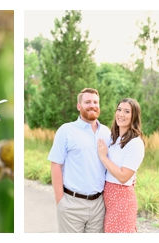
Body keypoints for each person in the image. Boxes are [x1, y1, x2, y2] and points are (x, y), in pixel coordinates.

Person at [48, 88, 111, 233]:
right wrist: (60, 201)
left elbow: (112, 162)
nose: (92, 105)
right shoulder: (66, 130)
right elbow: (56, 164)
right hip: (71, 204)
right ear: (79, 106)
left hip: (99, 206)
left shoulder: (106, 132)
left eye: (95, 102)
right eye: (87, 102)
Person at [97, 98, 144, 233]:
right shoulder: (115, 139)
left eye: (127, 111)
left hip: (121, 201)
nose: (121, 114)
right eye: (119, 110)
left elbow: (123, 177)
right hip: (109, 200)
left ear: (134, 116)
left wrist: (103, 157)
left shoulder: (135, 143)